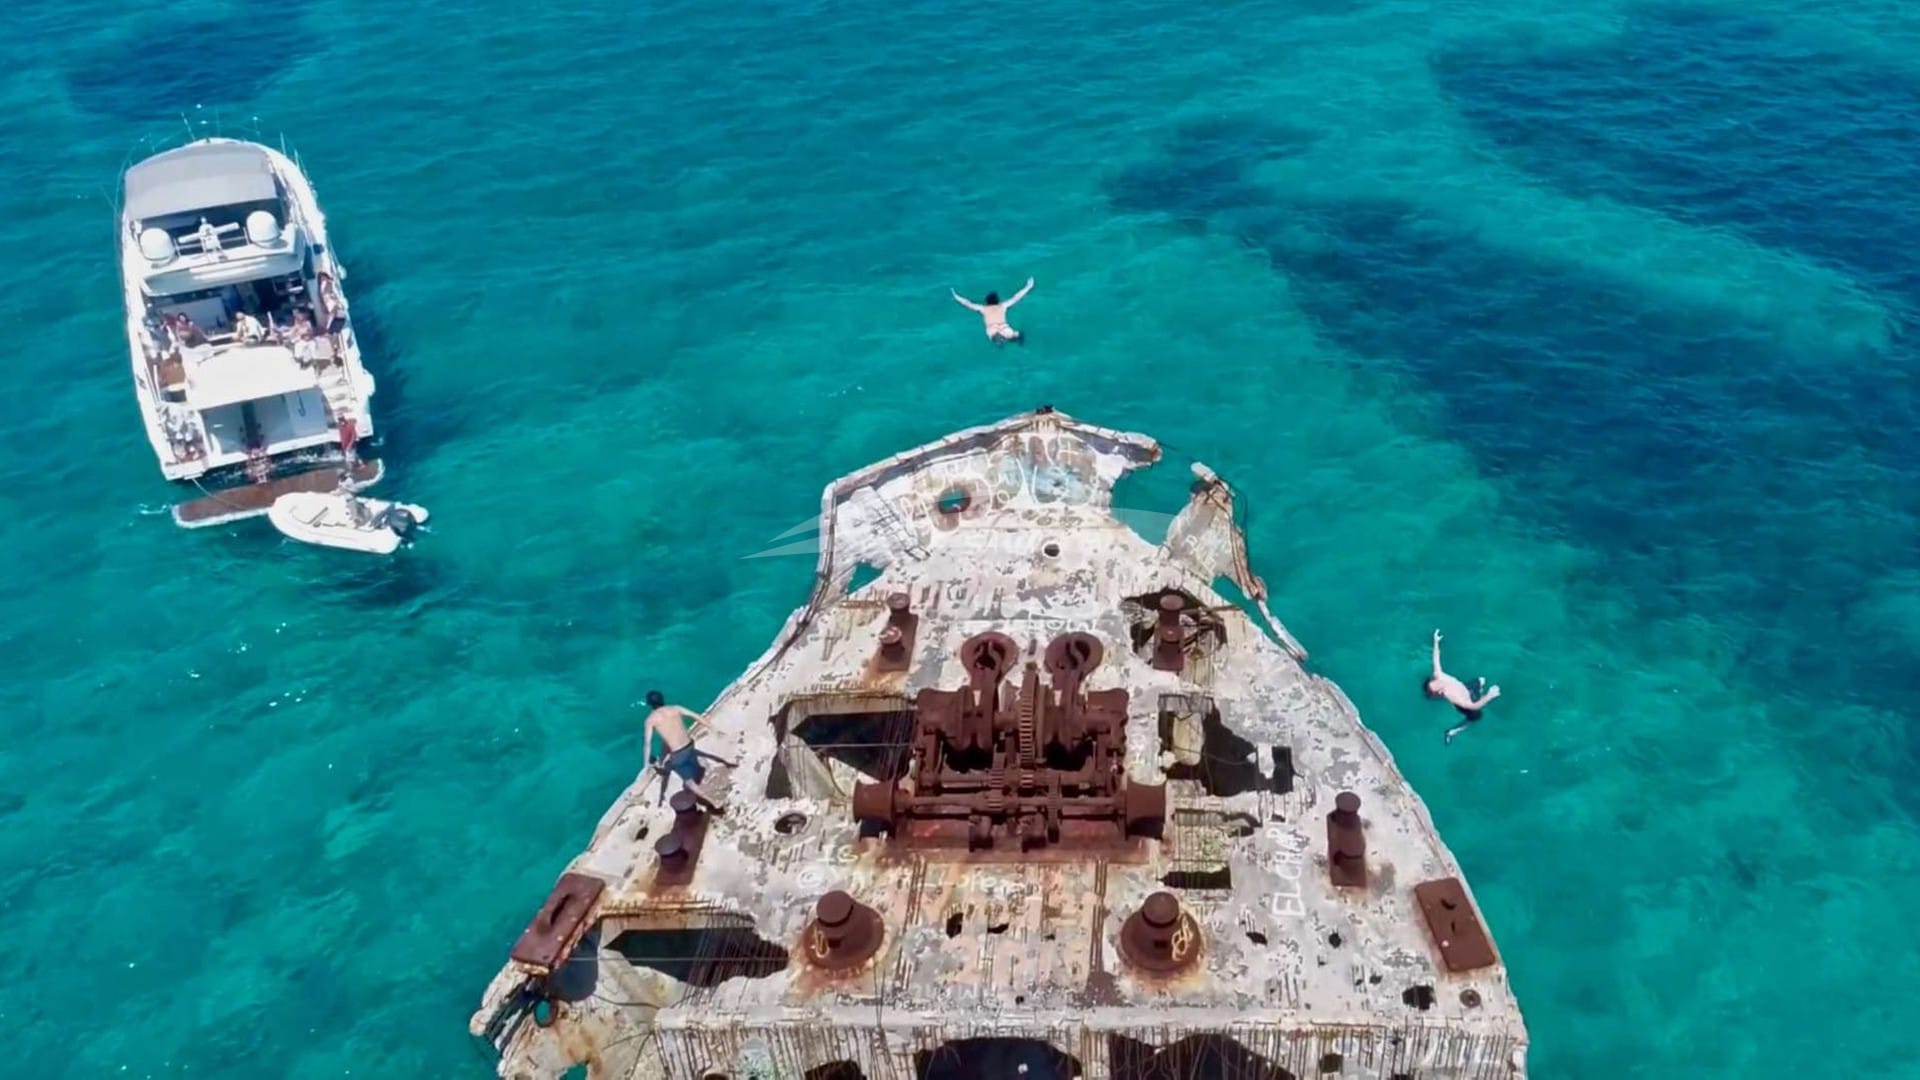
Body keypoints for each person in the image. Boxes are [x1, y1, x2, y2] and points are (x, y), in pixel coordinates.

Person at [642, 690, 725, 809]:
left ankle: (714, 801)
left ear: (649, 704)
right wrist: (714, 729)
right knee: (668, 745)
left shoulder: (650, 720)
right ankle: (675, 764)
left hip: (678, 755)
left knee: (689, 783)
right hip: (690, 746)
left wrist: (646, 766)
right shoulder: (676, 708)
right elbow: (696, 716)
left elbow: (647, 744)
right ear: (662, 699)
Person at [1425, 629, 1501, 745]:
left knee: (1481, 680)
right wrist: (1489, 696)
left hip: (1464, 688)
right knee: (1476, 716)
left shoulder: (1438, 674)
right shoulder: (1451, 695)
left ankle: (1478, 693)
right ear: (1440, 692)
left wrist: (1436, 641)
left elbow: (1435, 658)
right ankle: (1451, 732)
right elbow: (1473, 706)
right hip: (1467, 703)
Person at [951, 277, 1034, 344]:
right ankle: (1011, 339)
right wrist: (1028, 287)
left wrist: (956, 296)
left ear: (987, 301)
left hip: (992, 329)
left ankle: (999, 340)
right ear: (998, 300)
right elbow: (1016, 298)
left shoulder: (983, 308)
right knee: (1017, 335)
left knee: (997, 339)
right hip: (1004, 327)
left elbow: (967, 303)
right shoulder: (1003, 306)